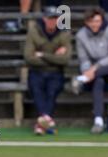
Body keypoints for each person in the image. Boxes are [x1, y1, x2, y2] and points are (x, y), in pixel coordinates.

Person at [72, 7, 108, 134]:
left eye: (97, 21)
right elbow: (83, 59)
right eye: (91, 21)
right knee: (98, 80)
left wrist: (95, 69)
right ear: (86, 22)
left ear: (102, 21)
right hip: (94, 76)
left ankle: (81, 80)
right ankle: (98, 121)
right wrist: (88, 71)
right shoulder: (80, 35)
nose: (95, 24)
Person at [24, 6, 72, 135]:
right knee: (37, 90)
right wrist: (55, 57)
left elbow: (66, 59)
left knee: (52, 91)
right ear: (44, 19)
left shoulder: (64, 33)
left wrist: (43, 55)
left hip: (56, 72)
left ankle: (41, 124)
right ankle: (47, 122)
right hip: (37, 71)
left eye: (55, 18)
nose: (52, 21)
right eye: (50, 18)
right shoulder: (34, 31)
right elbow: (29, 57)